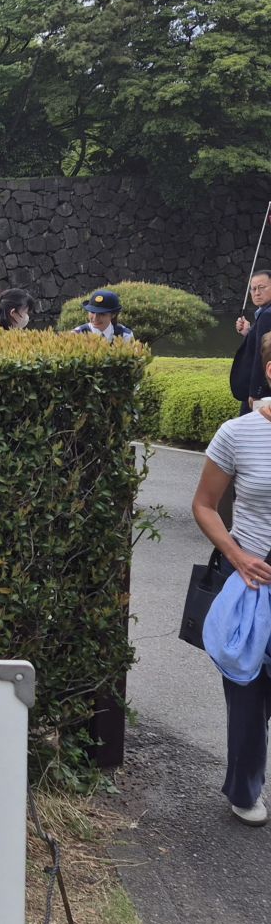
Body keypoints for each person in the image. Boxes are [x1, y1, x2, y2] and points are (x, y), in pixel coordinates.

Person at [191, 347, 271, 825]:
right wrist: (237, 556)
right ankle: (245, 786)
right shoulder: (238, 433)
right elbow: (204, 504)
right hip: (251, 582)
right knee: (246, 691)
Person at [231, 271, 271, 413]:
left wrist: (255, 392)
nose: (257, 293)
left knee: (251, 431)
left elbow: (262, 356)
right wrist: (249, 333)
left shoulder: (267, 315)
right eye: (253, 289)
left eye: (262, 287)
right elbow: (266, 345)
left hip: (264, 392)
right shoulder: (263, 312)